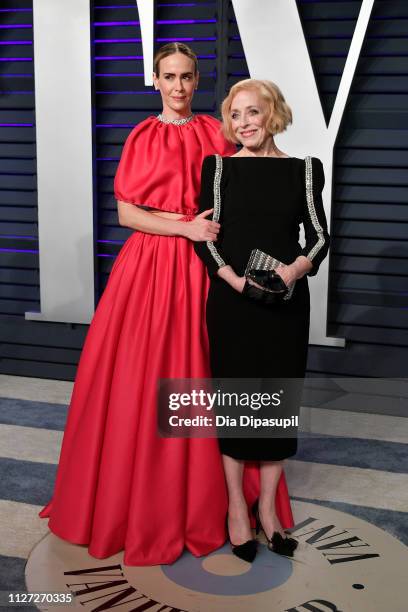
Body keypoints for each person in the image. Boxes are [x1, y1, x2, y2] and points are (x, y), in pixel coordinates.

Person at [38, 45, 294, 566]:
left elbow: (246, 190)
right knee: (146, 378)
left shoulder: (216, 133)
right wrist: (184, 227)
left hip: (209, 267)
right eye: (168, 77)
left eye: (186, 77)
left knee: (214, 373)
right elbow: (128, 213)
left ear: (198, 81)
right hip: (152, 266)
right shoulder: (143, 135)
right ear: (154, 81)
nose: (178, 87)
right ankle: (148, 504)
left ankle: (226, 505)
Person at [194, 79, 330, 562]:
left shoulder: (305, 170)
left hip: (285, 304)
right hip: (232, 302)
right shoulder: (218, 168)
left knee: (275, 404)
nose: (243, 123)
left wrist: (290, 273)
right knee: (235, 402)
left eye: (252, 113)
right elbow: (204, 236)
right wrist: (234, 282)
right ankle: (236, 510)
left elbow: (318, 236)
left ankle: (268, 513)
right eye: (235, 115)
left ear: (272, 114)